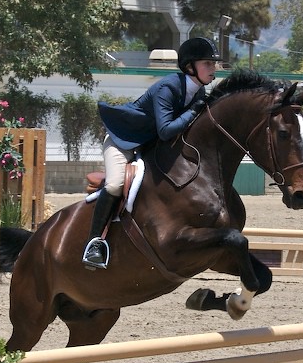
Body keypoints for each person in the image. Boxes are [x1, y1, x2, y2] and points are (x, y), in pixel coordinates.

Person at [82, 37, 221, 269]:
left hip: (149, 145)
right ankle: (94, 244)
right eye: (207, 63)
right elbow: (166, 130)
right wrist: (194, 111)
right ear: (190, 67)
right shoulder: (169, 87)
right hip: (123, 142)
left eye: (213, 64)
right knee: (115, 184)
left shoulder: (198, 92)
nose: (213, 68)